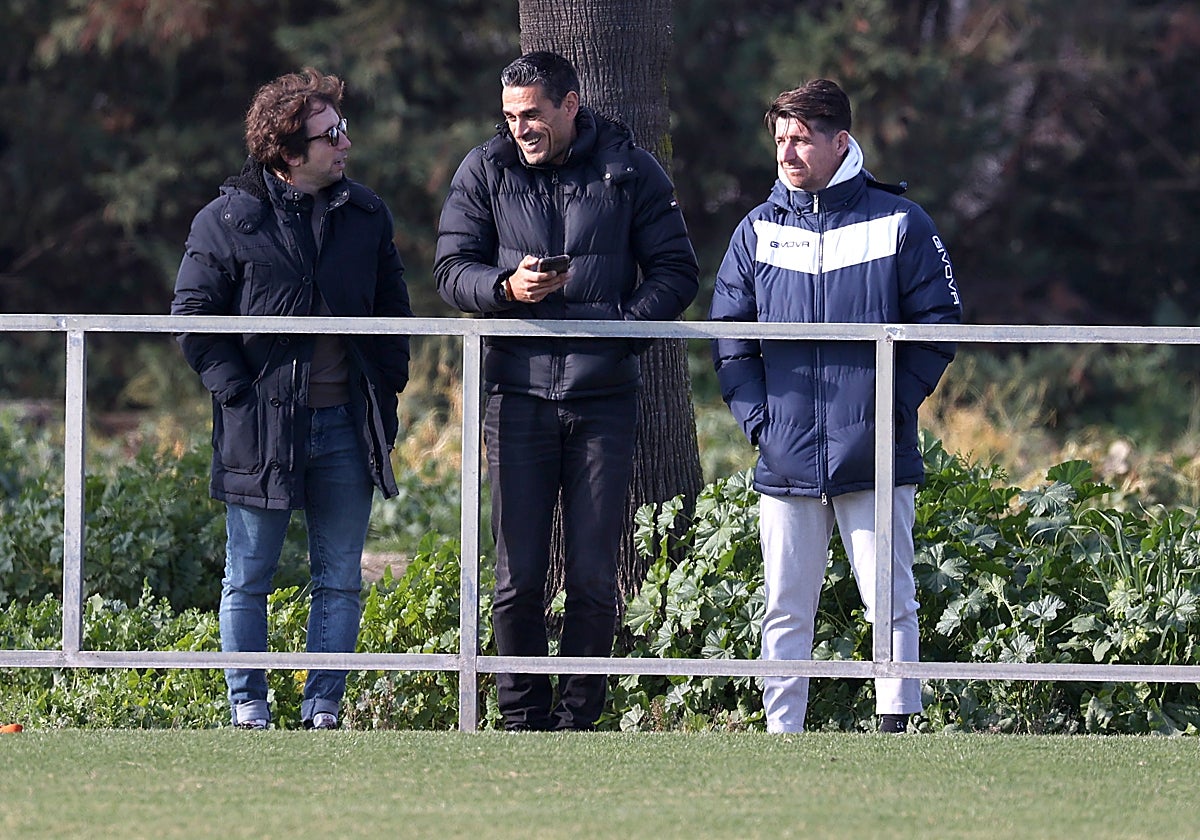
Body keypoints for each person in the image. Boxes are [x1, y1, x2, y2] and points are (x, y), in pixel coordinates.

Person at [434, 51, 699, 731]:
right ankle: (520, 718)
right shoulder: (483, 169)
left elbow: (677, 272)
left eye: (532, 114)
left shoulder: (631, 168)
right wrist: (505, 288)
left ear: (570, 105)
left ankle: (579, 720)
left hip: (604, 399)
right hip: (515, 397)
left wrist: (618, 331)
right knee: (517, 576)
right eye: (510, 116)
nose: (520, 128)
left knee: (592, 575)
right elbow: (450, 270)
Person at [709, 79, 962, 734]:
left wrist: (887, 410)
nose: (786, 152)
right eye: (780, 139)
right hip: (785, 454)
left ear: (840, 142)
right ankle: (781, 735)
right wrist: (762, 426)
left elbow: (939, 326)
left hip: (875, 454)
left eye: (800, 139)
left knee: (891, 603)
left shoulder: (900, 221)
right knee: (784, 609)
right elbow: (730, 342)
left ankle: (896, 728)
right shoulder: (756, 230)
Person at [171, 68, 412, 730]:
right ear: (286, 150)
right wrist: (238, 396)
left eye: (343, 129)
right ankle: (248, 707)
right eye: (329, 135)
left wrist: (388, 382)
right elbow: (192, 317)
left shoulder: (366, 214)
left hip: (346, 426)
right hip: (260, 428)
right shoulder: (225, 220)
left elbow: (394, 307)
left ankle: (322, 709)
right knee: (248, 576)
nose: (345, 143)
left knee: (340, 577)